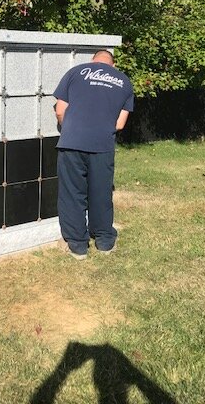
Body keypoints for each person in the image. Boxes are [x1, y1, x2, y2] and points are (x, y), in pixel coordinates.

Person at [53, 50, 134, 260]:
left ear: (93, 61)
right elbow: (120, 123)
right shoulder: (124, 82)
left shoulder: (76, 72)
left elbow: (61, 111)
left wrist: (72, 128)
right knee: (101, 192)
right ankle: (105, 241)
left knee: (72, 193)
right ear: (112, 65)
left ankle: (78, 246)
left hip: (72, 142)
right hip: (102, 145)